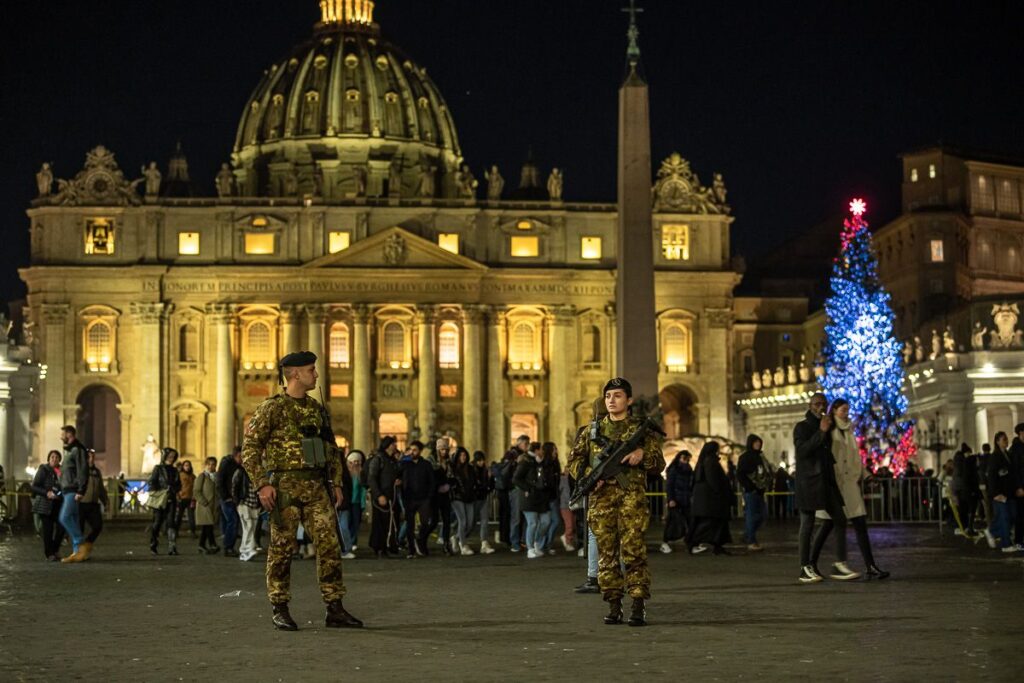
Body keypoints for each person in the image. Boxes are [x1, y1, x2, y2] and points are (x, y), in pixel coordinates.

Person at [242, 350, 361, 631]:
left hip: (317, 487)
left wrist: (336, 483)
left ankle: (334, 607)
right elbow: (250, 449)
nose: (316, 374)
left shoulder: (316, 409)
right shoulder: (272, 408)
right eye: (311, 370)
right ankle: (279, 606)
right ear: (295, 374)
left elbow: (330, 449)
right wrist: (263, 483)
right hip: (285, 488)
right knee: (282, 549)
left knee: (330, 545)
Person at [568, 377, 665, 627]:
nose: (612, 400)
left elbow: (658, 463)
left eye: (618, 396)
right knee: (607, 555)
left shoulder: (641, 430)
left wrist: (642, 454)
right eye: (608, 396)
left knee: (634, 552)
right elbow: (574, 462)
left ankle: (638, 604)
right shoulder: (591, 432)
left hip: (631, 500)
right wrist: (589, 476)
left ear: (629, 400)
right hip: (601, 502)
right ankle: (613, 604)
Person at [810, 399, 888, 579]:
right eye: (843, 410)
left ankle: (870, 565)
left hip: (850, 485)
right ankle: (813, 562)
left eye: (847, 410)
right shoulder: (829, 429)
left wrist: (866, 475)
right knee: (829, 525)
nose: (846, 413)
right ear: (835, 410)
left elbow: (855, 456)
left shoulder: (849, 431)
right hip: (835, 484)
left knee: (860, 524)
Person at [793, 393, 858, 583]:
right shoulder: (802, 427)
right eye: (817, 403)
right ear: (810, 405)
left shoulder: (828, 425)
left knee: (839, 517)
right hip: (809, 482)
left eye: (823, 403)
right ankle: (805, 567)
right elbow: (802, 451)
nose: (820, 406)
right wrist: (821, 432)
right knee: (807, 525)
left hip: (826, 480)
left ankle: (839, 563)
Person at [687, 442, 733, 555]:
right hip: (712, 500)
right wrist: (721, 492)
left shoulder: (704, 461)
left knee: (715, 523)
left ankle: (717, 546)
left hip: (707, 501)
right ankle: (694, 543)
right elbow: (714, 481)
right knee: (709, 524)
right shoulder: (710, 462)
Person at [57, 425, 90, 563]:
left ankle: (81, 544)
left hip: (73, 490)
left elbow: (83, 470)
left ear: (69, 434)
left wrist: (81, 490)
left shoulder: (78, 449)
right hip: (67, 490)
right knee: (74, 519)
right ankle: (77, 552)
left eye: (63, 434)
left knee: (64, 518)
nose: (61, 436)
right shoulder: (70, 451)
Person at [514, 441, 552, 559]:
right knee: (533, 523)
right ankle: (530, 548)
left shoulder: (542, 462)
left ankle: (536, 543)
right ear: (536, 451)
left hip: (541, 498)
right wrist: (527, 489)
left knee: (546, 521)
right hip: (529, 498)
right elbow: (516, 479)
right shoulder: (526, 462)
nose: (543, 451)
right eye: (541, 449)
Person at [366, 436, 401, 558]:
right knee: (380, 523)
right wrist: (379, 494)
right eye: (393, 444)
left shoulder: (393, 460)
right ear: (388, 445)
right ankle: (379, 547)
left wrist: (397, 481)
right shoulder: (378, 459)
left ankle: (389, 545)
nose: (395, 446)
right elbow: (372, 478)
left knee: (391, 522)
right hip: (381, 496)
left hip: (392, 495)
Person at [400, 440, 435, 558]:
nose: (412, 452)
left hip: (423, 498)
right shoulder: (405, 464)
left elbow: (432, 481)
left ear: (420, 451)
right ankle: (411, 550)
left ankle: (421, 540)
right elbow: (397, 473)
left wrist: (429, 496)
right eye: (410, 449)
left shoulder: (426, 464)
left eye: (415, 450)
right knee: (409, 525)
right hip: (409, 498)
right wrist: (403, 459)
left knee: (426, 522)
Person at [986, 431, 1019, 553]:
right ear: (997, 441)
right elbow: (992, 476)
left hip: (1009, 492)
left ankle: (992, 531)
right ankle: (1006, 544)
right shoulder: (995, 456)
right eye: (1003, 439)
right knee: (1005, 517)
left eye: (1006, 439)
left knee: (1011, 516)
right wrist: (995, 493)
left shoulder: (1007, 455)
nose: (1006, 441)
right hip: (1000, 493)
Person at [736, 434, 770, 551]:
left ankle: (747, 534)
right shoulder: (745, 457)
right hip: (751, 491)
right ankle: (751, 540)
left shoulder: (760, 457)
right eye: (756, 442)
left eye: (759, 442)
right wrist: (750, 487)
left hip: (760, 491)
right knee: (752, 516)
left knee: (762, 516)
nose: (758, 444)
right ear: (751, 443)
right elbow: (740, 474)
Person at [148, 447, 182, 555]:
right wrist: (161, 490)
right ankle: (153, 544)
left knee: (171, 522)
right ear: (165, 456)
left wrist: (174, 489)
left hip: (171, 498)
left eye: (173, 457)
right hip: (160, 499)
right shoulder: (158, 468)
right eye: (170, 456)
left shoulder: (175, 470)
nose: (172, 458)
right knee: (157, 522)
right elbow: (152, 482)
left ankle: (172, 546)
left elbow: (179, 484)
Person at [30, 450, 63, 561]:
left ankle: (54, 549)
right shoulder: (43, 469)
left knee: (61, 528)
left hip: (59, 504)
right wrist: (47, 493)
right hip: (46, 504)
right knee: (48, 530)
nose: (54, 459)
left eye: (57, 457)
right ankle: (49, 553)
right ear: (49, 459)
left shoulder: (61, 471)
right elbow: (34, 486)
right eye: (52, 457)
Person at [499, 435, 530, 550]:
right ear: (519, 444)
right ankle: (515, 542)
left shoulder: (527, 455)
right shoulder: (511, 454)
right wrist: (516, 461)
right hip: (515, 488)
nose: (527, 446)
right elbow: (506, 469)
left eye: (528, 444)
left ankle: (524, 540)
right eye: (525, 444)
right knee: (516, 516)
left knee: (526, 516)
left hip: (524, 488)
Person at [660, 450, 693, 554]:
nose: (686, 461)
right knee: (672, 522)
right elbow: (669, 486)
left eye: (687, 459)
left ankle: (691, 544)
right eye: (684, 458)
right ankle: (665, 543)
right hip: (676, 500)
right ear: (679, 458)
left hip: (685, 499)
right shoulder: (674, 469)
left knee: (689, 521)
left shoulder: (688, 470)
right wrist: (671, 499)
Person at [428, 437, 456, 555]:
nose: (444, 451)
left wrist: (449, 485)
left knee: (446, 520)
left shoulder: (449, 462)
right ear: (438, 450)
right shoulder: (431, 461)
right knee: (434, 521)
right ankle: (421, 538)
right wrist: (439, 486)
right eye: (442, 449)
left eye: (446, 449)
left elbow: (453, 477)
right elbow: (430, 478)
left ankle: (446, 545)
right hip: (434, 495)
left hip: (446, 495)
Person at [78, 450, 109, 554]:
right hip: (81, 504)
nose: (91, 459)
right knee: (79, 530)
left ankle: (87, 542)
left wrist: (105, 501)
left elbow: (100, 488)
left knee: (98, 526)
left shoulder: (97, 472)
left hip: (93, 504)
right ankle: (79, 551)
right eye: (88, 457)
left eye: (92, 457)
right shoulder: (80, 471)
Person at [450, 447, 477, 555]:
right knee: (463, 521)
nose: (463, 457)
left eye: (464, 455)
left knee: (470, 523)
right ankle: (463, 545)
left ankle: (456, 537)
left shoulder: (470, 468)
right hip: (457, 497)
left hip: (469, 497)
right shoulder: (453, 468)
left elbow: (473, 481)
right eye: (461, 455)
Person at [216, 448, 242, 557]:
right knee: (233, 521)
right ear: (237, 455)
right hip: (227, 498)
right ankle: (228, 546)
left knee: (232, 521)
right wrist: (225, 496)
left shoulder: (236, 466)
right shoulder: (227, 464)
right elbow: (220, 481)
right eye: (242, 456)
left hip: (232, 498)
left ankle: (229, 546)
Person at [340, 451, 366, 558]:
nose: (354, 464)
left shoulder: (360, 474)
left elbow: (362, 490)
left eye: (357, 461)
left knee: (355, 523)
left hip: (356, 502)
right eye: (352, 461)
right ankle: (347, 545)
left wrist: (363, 503)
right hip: (347, 502)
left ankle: (352, 542)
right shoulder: (344, 473)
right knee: (345, 524)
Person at [233, 462, 260, 562]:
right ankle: (249, 549)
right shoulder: (240, 472)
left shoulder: (257, 473)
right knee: (248, 526)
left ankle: (244, 550)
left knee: (251, 527)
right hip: (244, 502)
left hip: (255, 504)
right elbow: (234, 487)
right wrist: (237, 502)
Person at [471, 451, 496, 554]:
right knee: (470, 522)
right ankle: (457, 537)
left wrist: (490, 478)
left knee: (485, 521)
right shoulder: (472, 470)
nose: (482, 462)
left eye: (483, 460)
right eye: (479, 461)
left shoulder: (486, 470)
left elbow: (490, 485)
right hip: (474, 499)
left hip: (483, 498)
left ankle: (484, 543)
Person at [195, 456, 220, 554]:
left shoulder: (216, 477)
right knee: (208, 525)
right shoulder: (202, 476)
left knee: (207, 527)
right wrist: (204, 502)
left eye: (213, 464)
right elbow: (196, 491)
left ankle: (202, 545)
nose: (211, 466)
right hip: (204, 506)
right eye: (209, 464)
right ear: (205, 465)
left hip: (213, 506)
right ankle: (212, 544)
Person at [541, 442, 563, 553]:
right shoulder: (545, 464)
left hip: (554, 496)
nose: (556, 451)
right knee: (547, 521)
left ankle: (547, 544)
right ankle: (543, 544)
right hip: (546, 496)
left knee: (555, 521)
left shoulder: (555, 463)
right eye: (554, 449)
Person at [1008, 423, 1024, 549]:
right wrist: (1018, 487)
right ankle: (1019, 540)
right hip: (1021, 487)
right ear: (1020, 433)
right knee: (1020, 515)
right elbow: (1015, 470)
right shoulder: (1016, 449)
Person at [177, 460, 197, 538]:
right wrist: (178, 495)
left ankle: (193, 531)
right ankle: (176, 531)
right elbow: (177, 486)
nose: (187, 467)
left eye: (188, 465)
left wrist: (194, 498)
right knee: (179, 516)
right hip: (182, 498)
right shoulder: (180, 475)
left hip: (190, 498)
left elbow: (195, 488)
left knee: (191, 516)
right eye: (185, 465)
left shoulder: (193, 476)